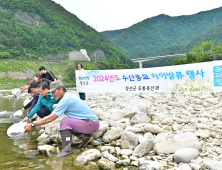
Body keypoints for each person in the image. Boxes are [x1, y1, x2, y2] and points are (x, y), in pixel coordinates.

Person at [24, 80, 100, 157]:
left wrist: (33, 124)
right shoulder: (67, 97)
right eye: (52, 93)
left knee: (65, 122)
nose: (53, 95)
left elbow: (51, 118)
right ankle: (85, 137)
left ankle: (67, 151)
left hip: (91, 124)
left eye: (54, 92)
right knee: (67, 122)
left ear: (61, 89)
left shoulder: (66, 99)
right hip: (89, 122)